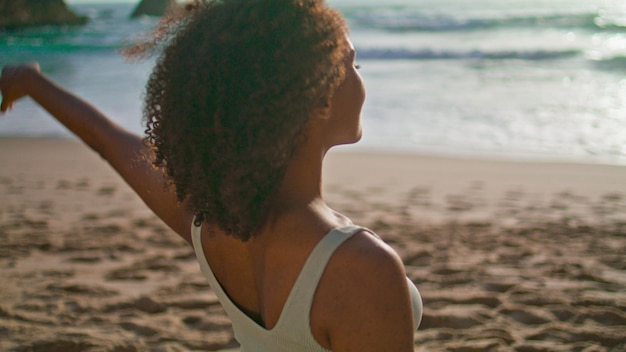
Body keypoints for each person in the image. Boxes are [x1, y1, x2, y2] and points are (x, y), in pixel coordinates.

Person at [0, 0, 422, 351]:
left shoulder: (209, 225)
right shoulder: (361, 267)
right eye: (352, 64)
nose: (360, 79)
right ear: (321, 98)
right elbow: (108, 142)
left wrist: (32, 83)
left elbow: (110, 142)